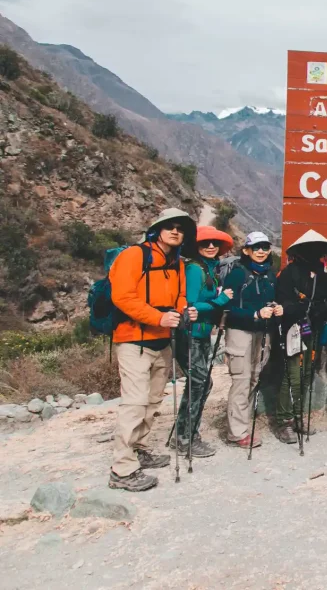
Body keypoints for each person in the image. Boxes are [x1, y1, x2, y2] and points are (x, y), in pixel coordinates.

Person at [108, 208, 197, 492]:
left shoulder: (178, 264)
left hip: (162, 341)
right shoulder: (134, 256)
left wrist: (184, 312)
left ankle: (139, 448)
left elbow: (180, 296)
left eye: (180, 228)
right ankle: (121, 469)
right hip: (134, 339)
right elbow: (121, 296)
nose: (175, 231)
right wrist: (157, 317)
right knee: (134, 403)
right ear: (156, 230)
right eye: (169, 226)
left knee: (153, 400)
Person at [172, 225, 235, 457]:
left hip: (201, 334)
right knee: (200, 383)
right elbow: (189, 305)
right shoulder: (195, 269)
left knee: (199, 383)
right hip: (190, 334)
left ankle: (184, 434)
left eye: (214, 243)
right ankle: (186, 437)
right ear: (196, 247)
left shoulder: (211, 269)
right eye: (204, 243)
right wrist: (220, 301)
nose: (210, 246)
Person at [276, 229, 327, 442]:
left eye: (318, 249)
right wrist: (302, 308)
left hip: (314, 329)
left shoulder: (322, 274)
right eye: (311, 248)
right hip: (294, 329)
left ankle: (296, 417)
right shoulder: (289, 273)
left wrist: (320, 309)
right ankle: (283, 421)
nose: (315, 252)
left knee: (305, 374)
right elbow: (284, 302)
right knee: (293, 374)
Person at [223, 231, 282, 449]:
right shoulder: (238, 274)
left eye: (265, 247)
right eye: (256, 247)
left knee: (254, 378)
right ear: (246, 250)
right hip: (240, 332)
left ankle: (241, 426)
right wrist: (255, 314)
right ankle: (237, 433)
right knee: (241, 379)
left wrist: (274, 308)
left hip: (262, 332)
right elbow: (227, 309)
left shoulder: (270, 274)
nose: (261, 251)